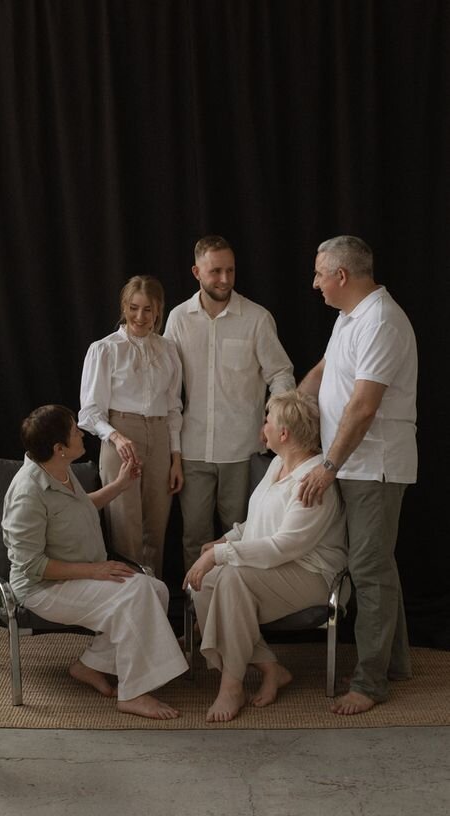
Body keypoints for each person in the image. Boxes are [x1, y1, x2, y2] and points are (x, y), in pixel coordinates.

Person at [1, 404, 188, 719]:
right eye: (75, 432)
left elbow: (79, 507)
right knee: (137, 591)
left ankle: (89, 665)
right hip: (42, 588)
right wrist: (95, 570)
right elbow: (31, 566)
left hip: (75, 577)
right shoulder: (27, 494)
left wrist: (120, 485)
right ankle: (133, 693)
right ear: (59, 448)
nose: (82, 434)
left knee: (156, 590)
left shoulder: (58, 469)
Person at [298, 235, 417, 716]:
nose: (315, 283)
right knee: (376, 564)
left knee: (369, 570)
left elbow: (364, 406)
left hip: (373, 467)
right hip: (352, 464)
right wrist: (289, 408)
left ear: (341, 275)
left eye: (319, 274)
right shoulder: (348, 317)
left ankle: (370, 683)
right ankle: (395, 664)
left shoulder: (381, 321)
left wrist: (328, 466)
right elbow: (324, 371)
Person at [183, 390, 347, 723]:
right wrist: (224, 540)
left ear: (284, 433)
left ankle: (232, 685)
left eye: (267, 421)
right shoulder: (277, 464)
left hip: (313, 576)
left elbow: (284, 546)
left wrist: (220, 555)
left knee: (231, 577)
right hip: (275, 569)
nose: (263, 428)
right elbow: (257, 523)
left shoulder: (313, 481)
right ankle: (271, 668)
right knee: (204, 584)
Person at [164, 235, 295, 570]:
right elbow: (165, 382)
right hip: (193, 448)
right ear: (197, 272)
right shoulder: (178, 319)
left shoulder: (256, 318)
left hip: (242, 449)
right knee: (193, 536)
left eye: (230, 271)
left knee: (240, 535)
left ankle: (233, 599)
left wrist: (275, 420)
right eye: (215, 271)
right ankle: (197, 602)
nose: (225, 279)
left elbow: (280, 374)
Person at [78, 275, 183, 578]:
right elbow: (90, 411)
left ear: (158, 310)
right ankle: (129, 599)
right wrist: (116, 436)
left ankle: (154, 597)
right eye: (134, 308)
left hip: (160, 437)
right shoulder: (105, 349)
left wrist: (176, 459)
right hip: (120, 435)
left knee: (156, 529)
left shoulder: (168, 350)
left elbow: (173, 408)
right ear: (124, 307)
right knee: (125, 528)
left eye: (148, 309)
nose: (140, 316)